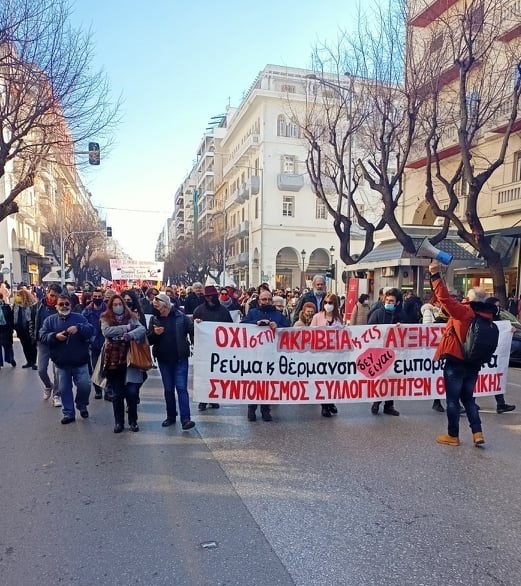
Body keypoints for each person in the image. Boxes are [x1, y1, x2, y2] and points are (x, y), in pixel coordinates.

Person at [429, 260, 493, 447]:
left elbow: (444, 299)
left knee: (452, 400)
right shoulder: (487, 316)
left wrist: (435, 275)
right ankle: (477, 433)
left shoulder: (465, 312)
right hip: (473, 364)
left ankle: (453, 435)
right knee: (469, 398)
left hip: (456, 362)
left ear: (469, 298)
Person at [39, 294, 94, 424]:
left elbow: (90, 330)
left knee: (85, 386)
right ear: (56, 306)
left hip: (80, 361)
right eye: (61, 304)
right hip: (61, 363)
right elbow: (42, 336)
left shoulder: (79, 318)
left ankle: (81, 405)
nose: (64, 306)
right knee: (64, 389)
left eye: (67, 304)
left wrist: (78, 328)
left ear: (71, 305)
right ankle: (69, 413)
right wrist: (55, 336)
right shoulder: (50, 321)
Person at [147, 292, 195, 430]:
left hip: (180, 358)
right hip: (163, 360)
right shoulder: (154, 320)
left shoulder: (181, 317)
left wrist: (198, 324)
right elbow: (148, 340)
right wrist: (155, 334)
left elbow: (192, 330)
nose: (155, 307)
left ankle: (186, 419)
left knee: (181, 388)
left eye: (157, 304)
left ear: (165, 304)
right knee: (168, 389)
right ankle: (171, 416)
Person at [241, 289, 290, 422]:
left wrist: (278, 326)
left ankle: (265, 409)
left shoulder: (278, 315)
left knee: (268, 383)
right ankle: (251, 408)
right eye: (264, 299)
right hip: (255, 355)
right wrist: (255, 324)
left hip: (272, 356)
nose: (267, 302)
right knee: (254, 383)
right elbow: (242, 327)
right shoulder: (252, 313)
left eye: (269, 299)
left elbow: (289, 329)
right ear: (259, 301)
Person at [101, 294, 147, 433]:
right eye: (114, 304)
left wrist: (131, 335)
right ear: (110, 306)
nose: (118, 306)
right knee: (117, 394)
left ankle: (133, 421)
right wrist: (126, 328)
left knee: (132, 393)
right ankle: (119, 422)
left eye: (119, 304)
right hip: (113, 360)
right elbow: (106, 332)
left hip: (130, 359)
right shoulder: (105, 318)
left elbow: (141, 329)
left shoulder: (132, 316)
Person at [193, 285, 233, 411]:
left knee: (216, 374)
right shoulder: (199, 310)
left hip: (218, 349)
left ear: (216, 297)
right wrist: (196, 324)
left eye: (211, 296)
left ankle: (214, 398)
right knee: (203, 375)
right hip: (204, 348)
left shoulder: (223, 311)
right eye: (207, 297)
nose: (209, 299)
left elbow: (231, 329)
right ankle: (203, 399)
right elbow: (191, 329)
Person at [368, 288, 404, 416]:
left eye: (391, 301)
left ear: (397, 303)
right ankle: (377, 401)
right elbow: (370, 329)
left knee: (392, 379)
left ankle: (389, 405)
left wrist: (402, 327)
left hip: (395, 353)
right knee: (381, 378)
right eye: (387, 300)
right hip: (379, 352)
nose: (388, 302)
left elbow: (410, 331)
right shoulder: (377, 313)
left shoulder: (401, 315)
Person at [30, 284, 62, 407]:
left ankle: (56, 395)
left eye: (56, 296)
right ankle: (48, 385)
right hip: (43, 342)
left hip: (58, 342)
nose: (53, 298)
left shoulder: (61, 306)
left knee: (57, 371)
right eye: (52, 295)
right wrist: (33, 336)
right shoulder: (38, 306)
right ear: (47, 293)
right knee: (41, 369)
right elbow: (32, 321)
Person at [310, 293, 342, 417]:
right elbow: (310, 333)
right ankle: (324, 406)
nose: (327, 305)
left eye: (330, 303)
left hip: (334, 355)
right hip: (321, 354)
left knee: (332, 380)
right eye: (325, 303)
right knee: (323, 380)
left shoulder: (338, 319)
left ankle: (331, 402)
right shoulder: (317, 317)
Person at [484, 296, 516, 413]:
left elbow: (503, 330)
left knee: (496, 377)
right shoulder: (483, 318)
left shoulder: (497, 319)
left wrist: (509, 329)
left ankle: (501, 404)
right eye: (496, 306)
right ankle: (470, 402)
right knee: (480, 378)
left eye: (498, 306)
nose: (497, 309)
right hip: (483, 355)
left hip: (494, 356)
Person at [82, 289, 108, 400]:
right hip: (92, 344)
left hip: (106, 343)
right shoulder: (87, 311)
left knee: (107, 368)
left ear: (103, 297)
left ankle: (108, 390)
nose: (97, 298)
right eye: (95, 296)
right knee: (94, 368)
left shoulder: (108, 310)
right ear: (92, 297)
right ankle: (98, 390)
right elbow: (82, 325)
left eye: (99, 296)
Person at [421, 296, 445, 413]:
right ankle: (437, 401)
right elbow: (427, 329)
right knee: (437, 374)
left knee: (443, 375)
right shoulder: (428, 311)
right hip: (433, 348)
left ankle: (440, 401)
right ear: (435, 302)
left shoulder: (444, 313)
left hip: (444, 347)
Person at [12, 288, 37, 369]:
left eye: (19, 295)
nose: (17, 297)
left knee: (32, 346)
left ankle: (33, 362)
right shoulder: (16, 306)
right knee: (25, 346)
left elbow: (34, 317)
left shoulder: (31, 306)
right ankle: (28, 362)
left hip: (29, 328)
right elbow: (13, 316)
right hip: (20, 329)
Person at [0, 292, 15, 368]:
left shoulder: (6, 307)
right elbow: (11, 318)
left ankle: (9, 360)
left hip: (6, 329)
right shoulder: (6, 307)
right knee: (6, 346)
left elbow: (11, 318)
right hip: (4, 329)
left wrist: (11, 328)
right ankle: (5, 361)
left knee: (8, 346)